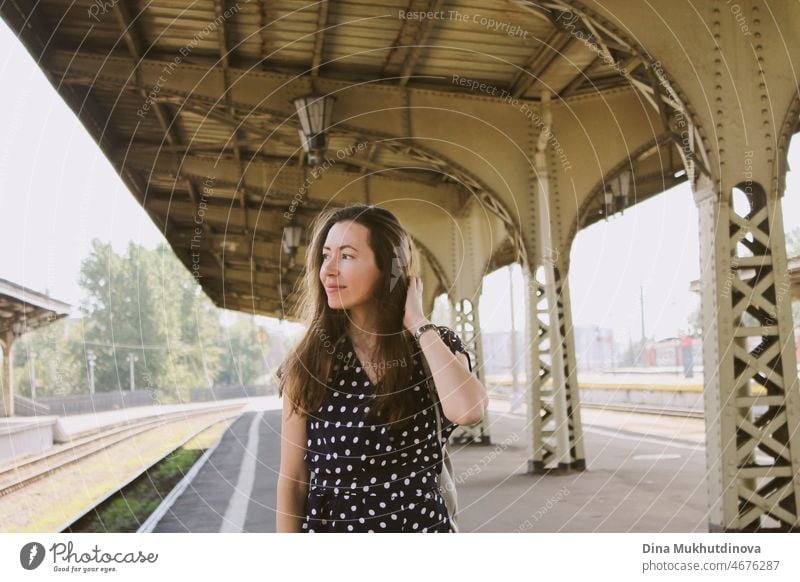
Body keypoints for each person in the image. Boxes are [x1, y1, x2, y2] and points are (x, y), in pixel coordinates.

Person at [275, 204, 488, 533]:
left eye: (346, 256)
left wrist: (418, 321)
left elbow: (469, 410)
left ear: (388, 268)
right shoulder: (309, 362)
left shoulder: (432, 345)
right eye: (326, 255)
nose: (328, 270)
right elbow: (293, 482)